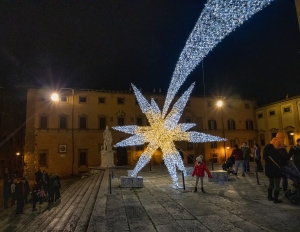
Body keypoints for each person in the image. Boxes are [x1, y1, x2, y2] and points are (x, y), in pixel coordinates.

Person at [263, 132, 286, 203]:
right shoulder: (277, 151)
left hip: (269, 170)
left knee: (271, 183)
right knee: (277, 184)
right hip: (276, 170)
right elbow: (283, 158)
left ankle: (269, 196)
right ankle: (276, 199)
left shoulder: (267, 150)